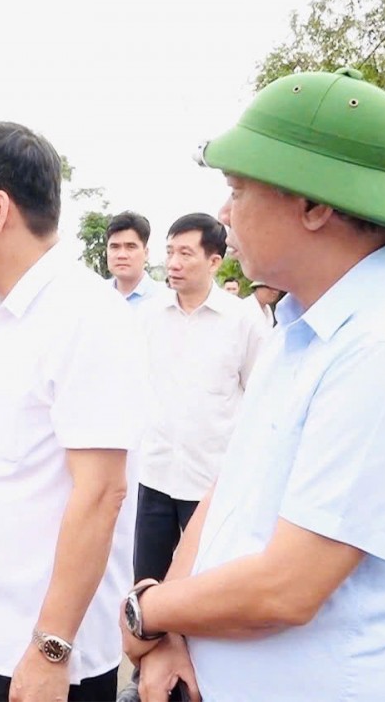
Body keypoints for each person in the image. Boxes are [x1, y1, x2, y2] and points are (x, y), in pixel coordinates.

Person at [120, 68, 385, 701]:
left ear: (315, 205)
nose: (223, 212)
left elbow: (289, 587)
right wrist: (171, 633)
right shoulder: (298, 326)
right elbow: (227, 490)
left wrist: (147, 612)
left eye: (238, 188)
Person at [0, 122, 144, 702]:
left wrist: (52, 647)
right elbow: (10, 475)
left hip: (44, 658)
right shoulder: (3, 315)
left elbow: (101, 493)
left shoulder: (84, 317)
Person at [133, 213, 266, 585]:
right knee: (146, 586)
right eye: (170, 252)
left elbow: (261, 398)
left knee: (204, 586)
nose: (174, 263)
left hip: (213, 484)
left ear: (214, 261)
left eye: (186, 254)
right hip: (155, 475)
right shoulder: (148, 316)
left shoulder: (243, 321)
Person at [106, 211, 164, 305]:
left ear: (146, 253)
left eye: (131, 247)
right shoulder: (95, 296)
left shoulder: (164, 299)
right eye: (115, 247)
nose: (121, 255)